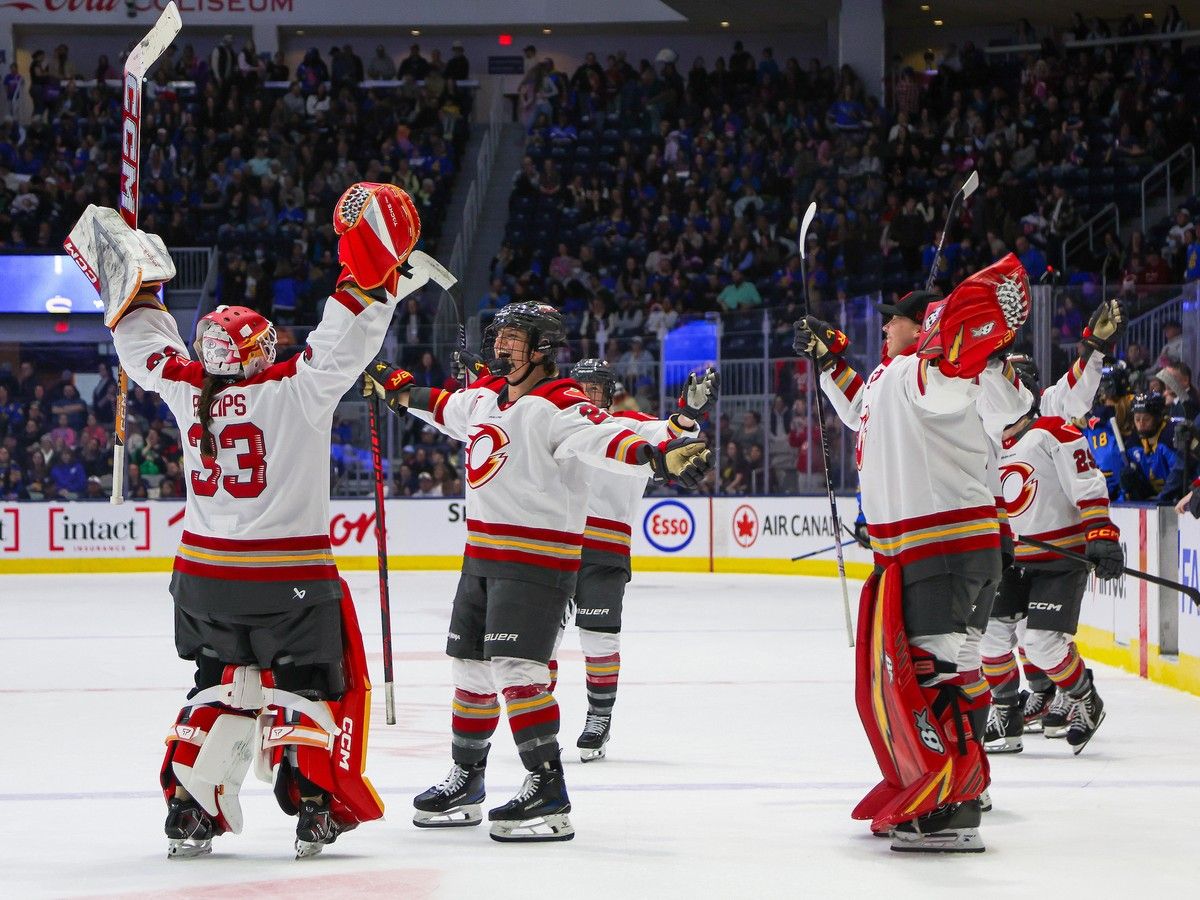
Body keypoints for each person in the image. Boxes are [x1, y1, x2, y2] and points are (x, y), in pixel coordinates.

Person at [64, 182, 424, 859]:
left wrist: (132, 285)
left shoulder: (182, 385)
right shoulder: (296, 388)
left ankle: (189, 809)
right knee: (307, 686)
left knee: (220, 685)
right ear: (259, 351)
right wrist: (375, 266)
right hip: (287, 577)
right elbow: (346, 329)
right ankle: (314, 807)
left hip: (202, 579)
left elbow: (143, 342)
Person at [364, 301, 711, 843]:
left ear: (543, 347)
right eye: (498, 334)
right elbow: (444, 405)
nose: (500, 345)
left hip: (535, 560)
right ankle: (467, 780)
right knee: (471, 668)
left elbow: (605, 439)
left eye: (514, 337)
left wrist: (655, 456)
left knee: (518, 671)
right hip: (480, 556)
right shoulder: (485, 399)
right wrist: (400, 390)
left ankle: (547, 790)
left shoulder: (560, 402)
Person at [796, 256, 1033, 853]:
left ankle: (950, 806)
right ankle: (965, 784)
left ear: (921, 324)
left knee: (932, 670)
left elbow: (957, 382)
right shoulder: (890, 378)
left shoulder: (930, 375)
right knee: (961, 665)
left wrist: (974, 342)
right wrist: (829, 361)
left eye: (894, 321)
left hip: (941, 546)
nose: (884, 329)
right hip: (950, 546)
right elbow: (859, 406)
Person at [551, 358, 717, 761]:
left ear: (609, 394)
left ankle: (599, 717)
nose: (588, 394)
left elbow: (671, 434)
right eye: (582, 386)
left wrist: (689, 413)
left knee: (598, 638)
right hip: (557, 543)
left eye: (596, 388)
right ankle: (540, 718)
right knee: (543, 642)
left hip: (606, 547)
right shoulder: (558, 422)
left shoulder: (631, 426)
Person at [981, 356, 1121, 757]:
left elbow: (1088, 483)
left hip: (1059, 558)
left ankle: (1084, 698)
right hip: (1014, 560)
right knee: (991, 636)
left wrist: (1100, 534)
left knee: (1042, 644)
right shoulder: (992, 445)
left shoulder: (1052, 431)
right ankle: (1006, 714)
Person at [1120, 392, 1179, 503]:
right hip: (1155, 501)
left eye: (1146, 419)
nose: (1141, 424)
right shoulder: (1134, 442)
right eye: (1137, 419)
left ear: (1157, 418)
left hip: (1176, 502)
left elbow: (1179, 476)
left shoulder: (1171, 437)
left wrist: (1161, 498)